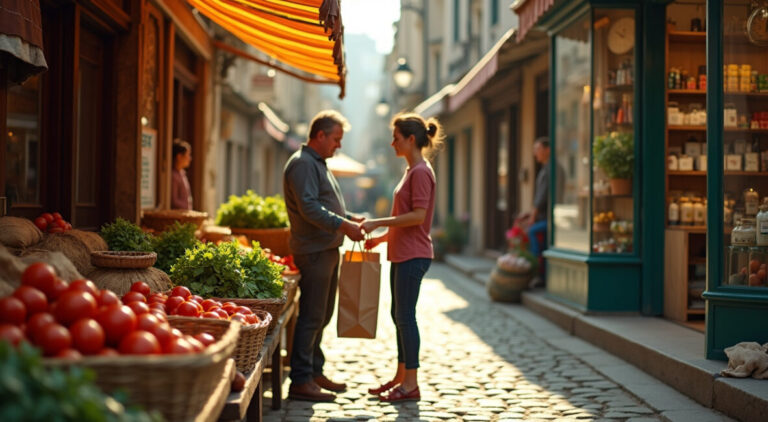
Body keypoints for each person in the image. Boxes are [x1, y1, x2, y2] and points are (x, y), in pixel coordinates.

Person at [283, 110, 366, 402]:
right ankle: (301, 380)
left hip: (326, 248)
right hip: (314, 251)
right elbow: (309, 207)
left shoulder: (317, 162)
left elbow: (324, 205)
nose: (338, 145)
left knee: (323, 314)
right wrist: (345, 225)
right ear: (320, 135)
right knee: (312, 316)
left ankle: (314, 371)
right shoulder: (303, 164)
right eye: (336, 138)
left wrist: (351, 218)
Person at [361, 112, 444, 403]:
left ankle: (411, 384)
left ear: (411, 139)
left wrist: (377, 223)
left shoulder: (420, 172)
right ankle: (401, 377)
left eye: (396, 138)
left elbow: (418, 217)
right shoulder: (412, 170)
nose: (391, 143)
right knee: (399, 316)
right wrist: (382, 239)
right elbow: (407, 219)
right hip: (403, 254)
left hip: (414, 256)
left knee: (406, 318)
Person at [518, 137, 563, 284]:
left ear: (547, 150)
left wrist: (532, 217)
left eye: (537, 149)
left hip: (551, 218)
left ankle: (538, 273)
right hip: (548, 216)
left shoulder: (551, 169)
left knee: (533, 232)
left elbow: (542, 197)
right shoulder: (549, 168)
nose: (534, 153)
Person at [171, 139, 193, 210]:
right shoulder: (173, 175)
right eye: (188, 155)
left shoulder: (182, 173)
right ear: (179, 156)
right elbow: (173, 200)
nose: (190, 158)